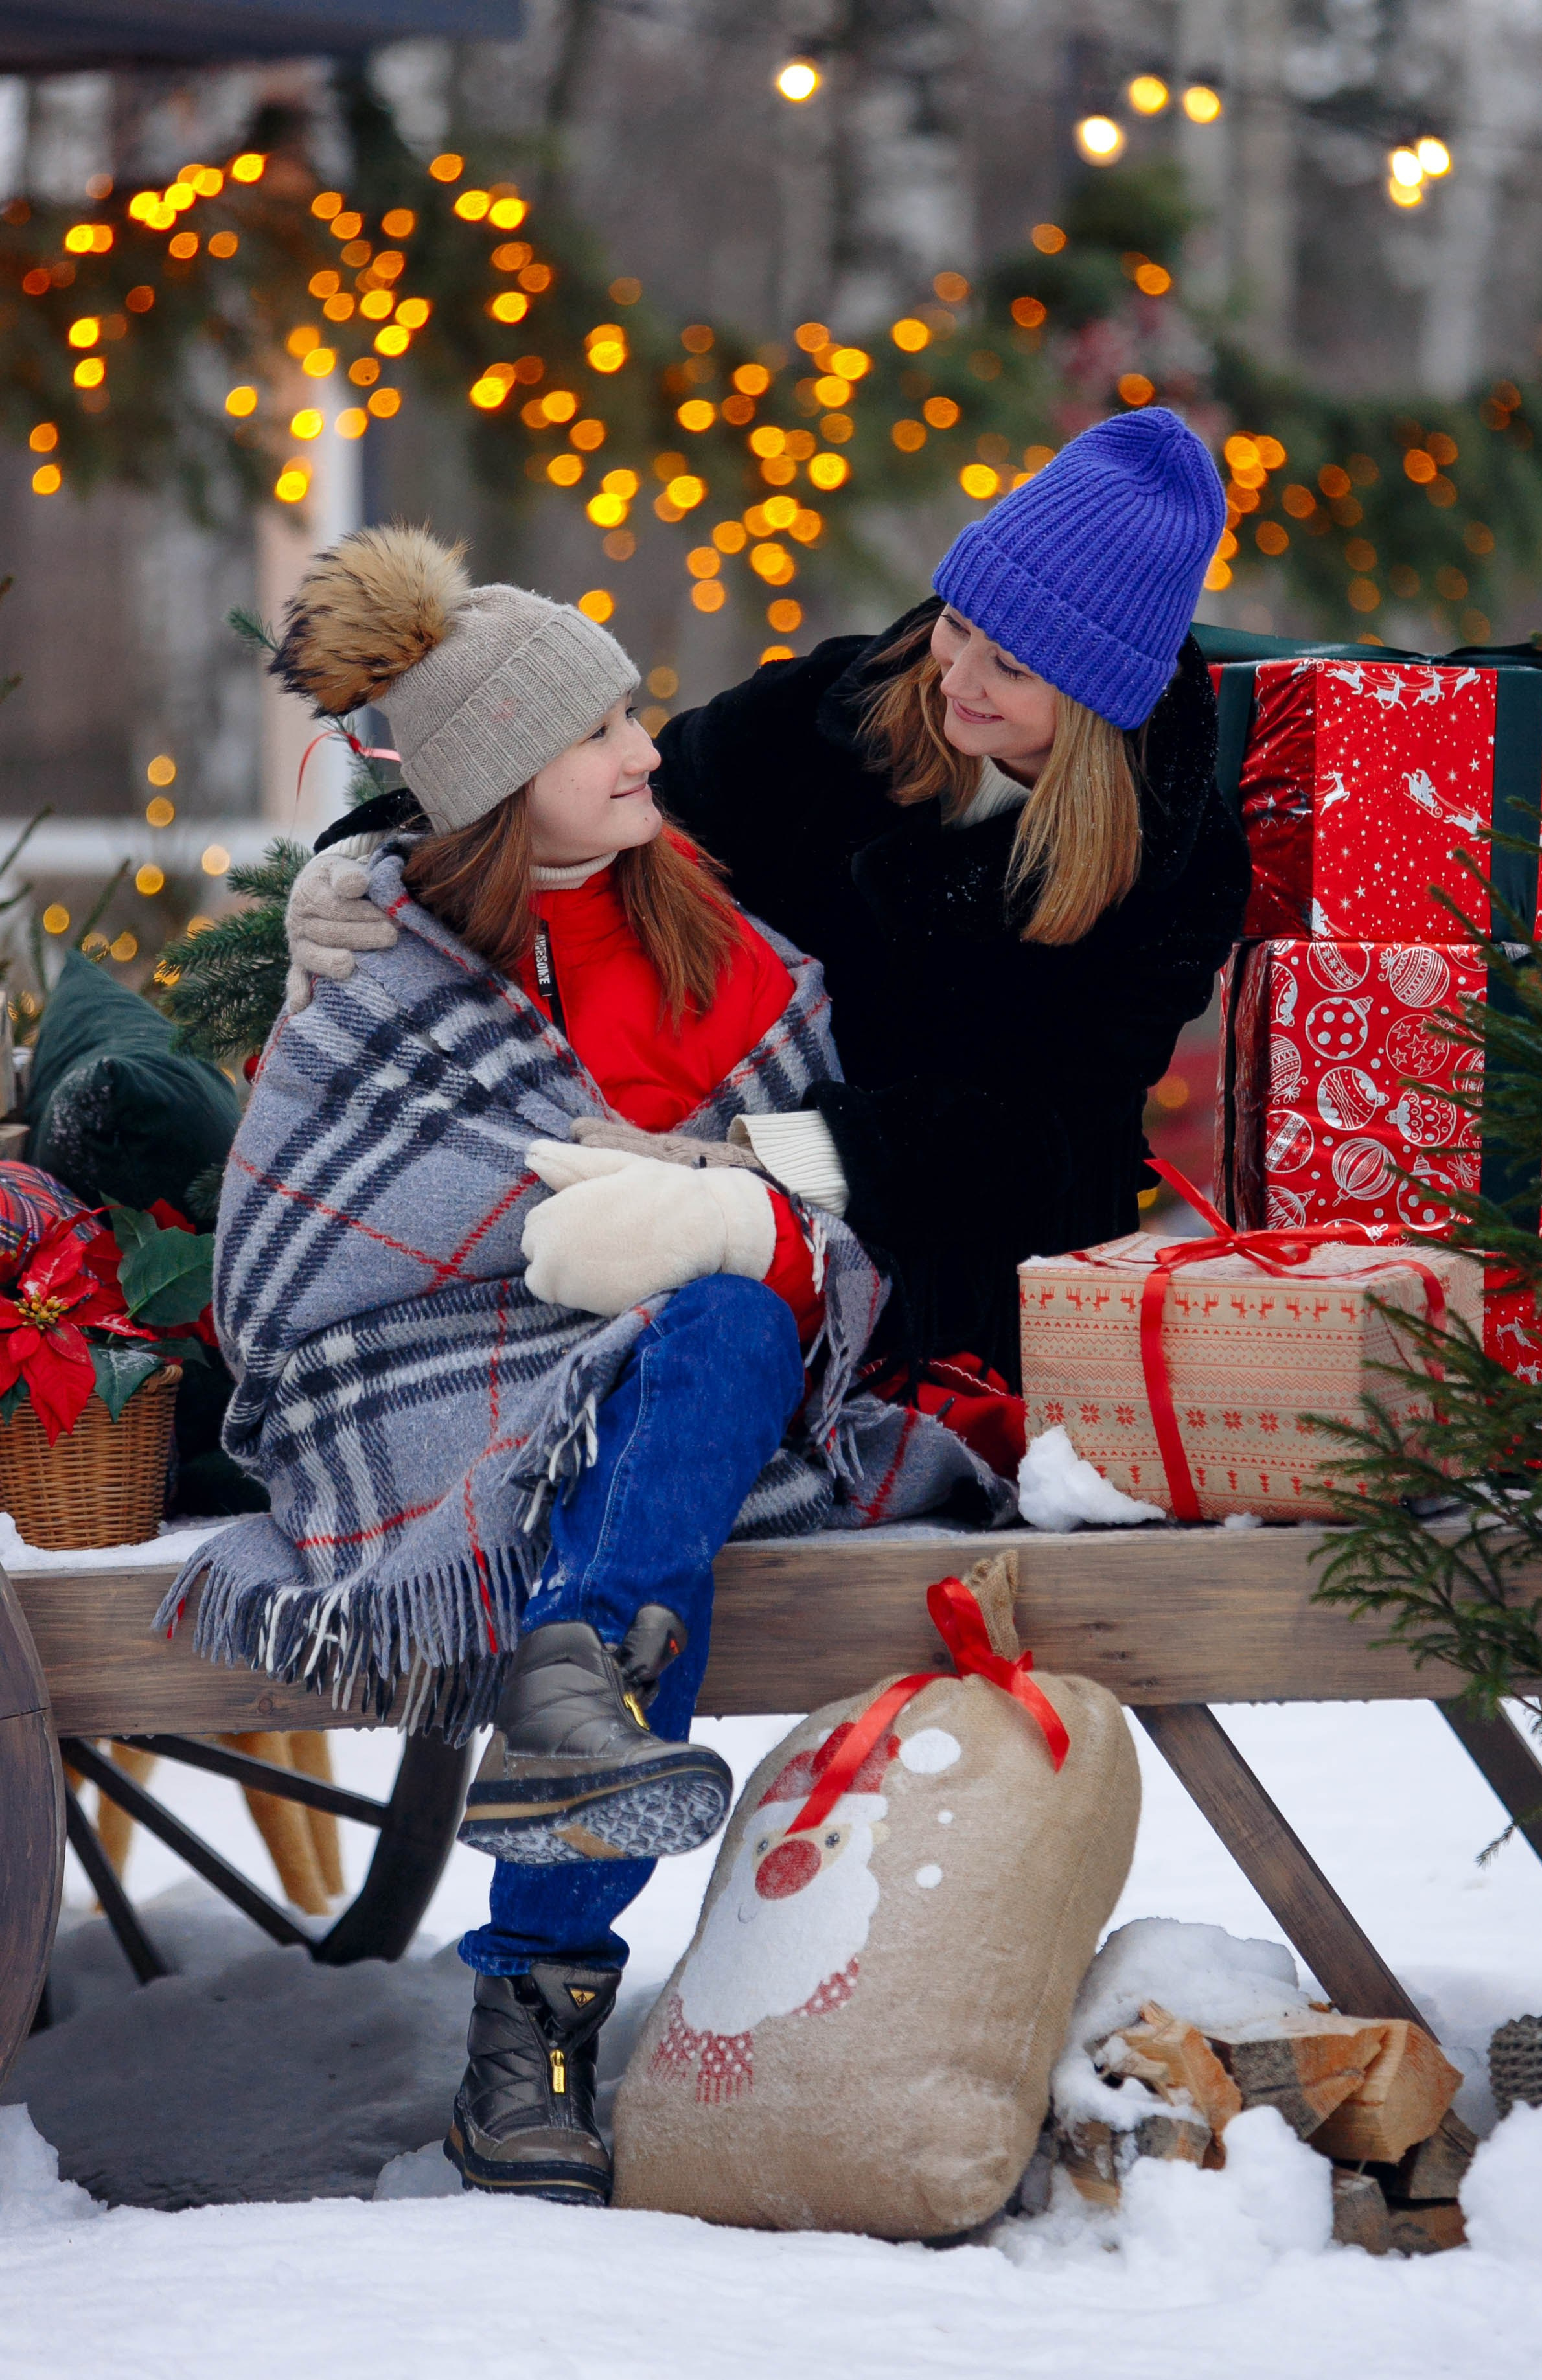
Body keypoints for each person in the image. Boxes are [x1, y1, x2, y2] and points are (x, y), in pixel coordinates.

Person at [165, 528, 1006, 2206]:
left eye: (632, 715)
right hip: (432, 1386)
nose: (644, 753)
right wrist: (641, 1211)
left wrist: (702, 1205)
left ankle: (528, 1993)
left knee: (722, 1329)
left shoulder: (699, 924)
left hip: (679, 1388)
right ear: (490, 788)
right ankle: (542, 1942)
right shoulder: (384, 959)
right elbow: (299, 1246)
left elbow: (814, 1192)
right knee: (673, 1456)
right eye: (596, 734)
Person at [286, 406, 1249, 1386]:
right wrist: (380, 857)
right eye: (956, 624)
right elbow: (612, 798)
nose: (954, 673)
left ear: (1095, 696)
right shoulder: (849, 701)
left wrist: (751, 1168)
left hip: (957, 1257)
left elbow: (1037, 1135)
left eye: (1008, 666)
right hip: (694, 1140)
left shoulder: (1170, 863)